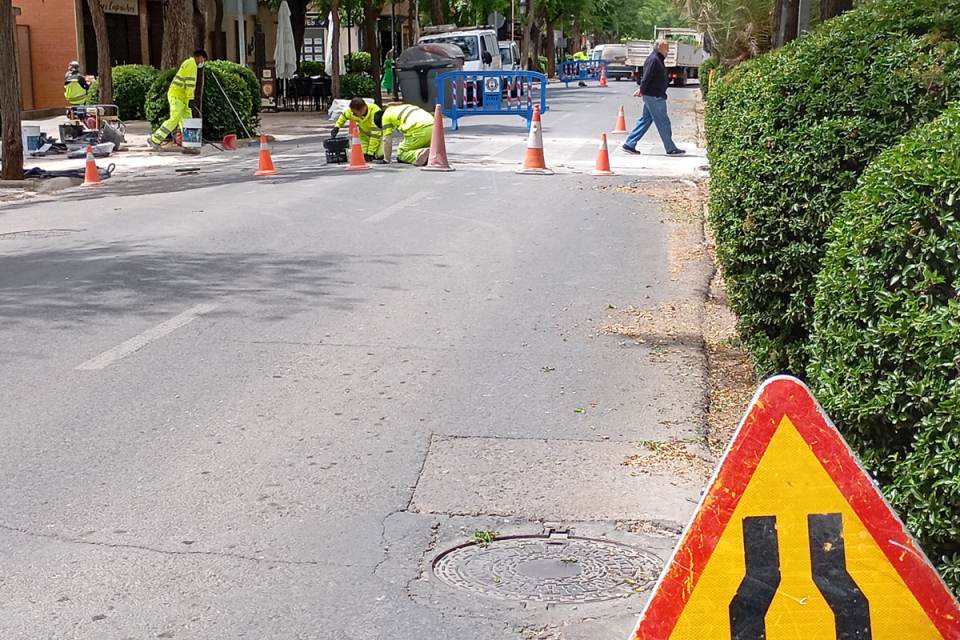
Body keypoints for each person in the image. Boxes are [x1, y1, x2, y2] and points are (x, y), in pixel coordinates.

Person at [622, 39, 685, 156]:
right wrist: (642, 89)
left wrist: (643, 90)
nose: (668, 51)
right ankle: (670, 148)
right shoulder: (654, 60)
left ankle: (629, 144)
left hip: (653, 95)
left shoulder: (657, 59)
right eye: (667, 48)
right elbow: (646, 77)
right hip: (654, 96)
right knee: (663, 122)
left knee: (645, 120)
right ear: (660, 48)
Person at [149, 49, 207, 150]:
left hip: (181, 97)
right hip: (177, 96)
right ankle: (155, 139)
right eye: (203, 60)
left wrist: (189, 99)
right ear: (200, 57)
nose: (202, 63)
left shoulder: (189, 63)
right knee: (175, 119)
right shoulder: (191, 64)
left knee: (188, 120)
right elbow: (190, 83)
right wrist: (191, 99)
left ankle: (190, 144)